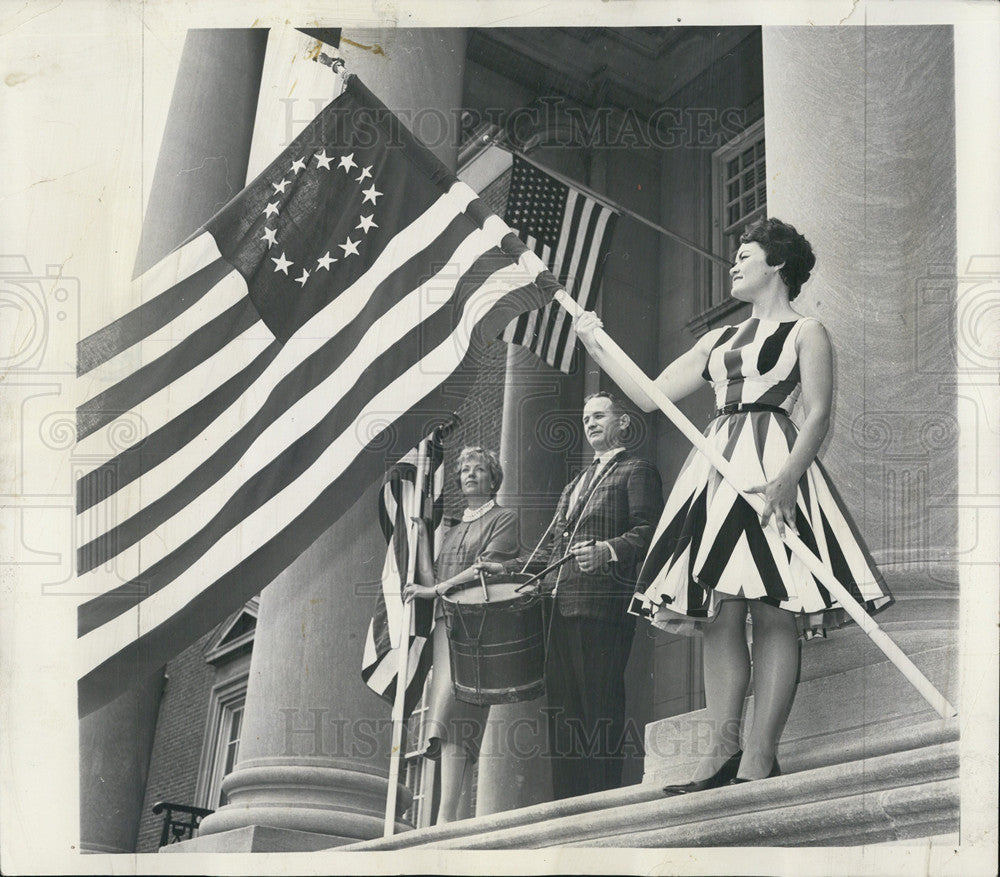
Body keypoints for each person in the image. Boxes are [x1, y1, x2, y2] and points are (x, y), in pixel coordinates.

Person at [573, 217, 892, 791]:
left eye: (745, 255)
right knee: (719, 609)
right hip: (716, 467)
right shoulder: (717, 341)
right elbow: (648, 395)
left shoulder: (807, 332)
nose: (734, 265)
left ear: (777, 265)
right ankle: (721, 750)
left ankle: (759, 755)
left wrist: (788, 479)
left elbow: (817, 413)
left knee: (774, 607)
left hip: (774, 461)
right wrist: (596, 342)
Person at [478, 392, 663, 800]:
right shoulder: (573, 486)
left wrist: (607, 550)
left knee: (599, 708)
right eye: (585, 418)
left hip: (602, 608)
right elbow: (549, 553)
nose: (591, 423)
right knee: (564, 717)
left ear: (623, 423)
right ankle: (570, 805)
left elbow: (648, 532)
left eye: (599, 415)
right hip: (559, 610)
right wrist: (506, 569)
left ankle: (600, 801)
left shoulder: (637, 471)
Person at [402, 446, 517, 823]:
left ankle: (447, 815)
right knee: (451, 720)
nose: (470, 474)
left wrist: (435, 591)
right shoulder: (452, 532)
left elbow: (486, 568)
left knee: (459, 710)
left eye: (479, 469)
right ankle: (447, 815)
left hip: (477, 626)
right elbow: (433, 576)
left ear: (492, 478)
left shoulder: (503, 518)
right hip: (446, 625)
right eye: (465, 470)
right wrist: (420, 537)